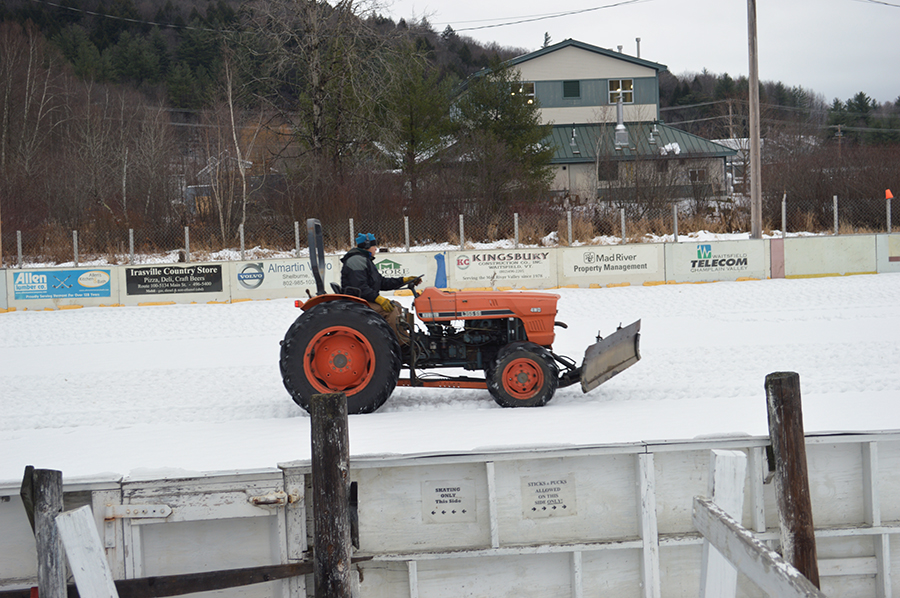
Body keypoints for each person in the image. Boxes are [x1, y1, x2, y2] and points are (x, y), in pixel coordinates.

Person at [340, 233, 422, 343]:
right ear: (367, 246)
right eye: (374, 246)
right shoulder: (357, 261)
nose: (376, 249)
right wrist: (379, 299)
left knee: (397, 306)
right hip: (358, 303)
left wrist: (403, 280)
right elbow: (360, 287)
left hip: (363, 299)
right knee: (390, 311)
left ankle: (403, 338)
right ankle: (403, 345)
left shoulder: (364, 260)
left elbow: (381, 282)